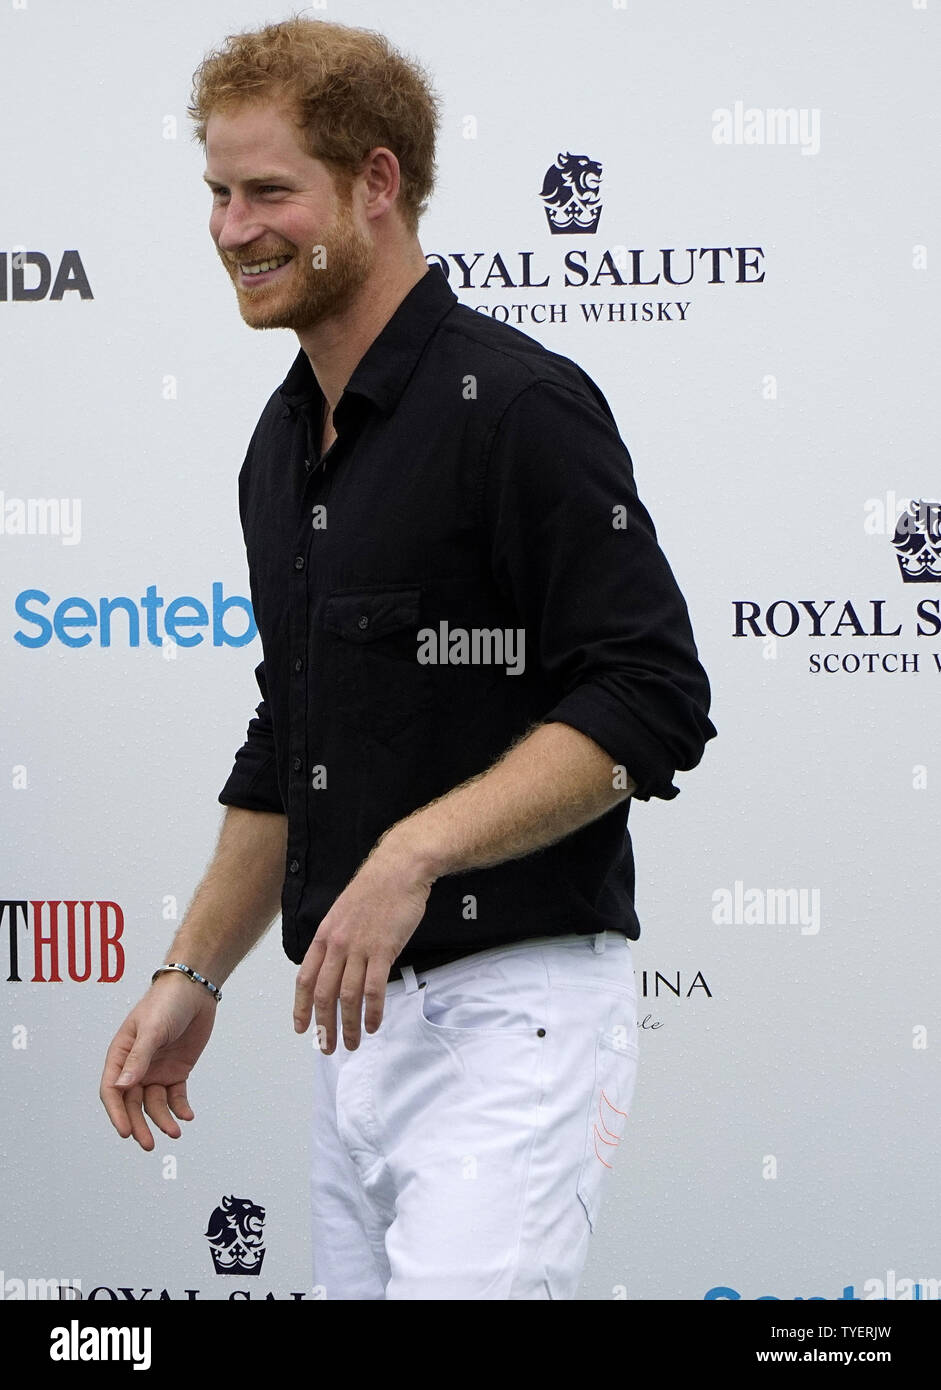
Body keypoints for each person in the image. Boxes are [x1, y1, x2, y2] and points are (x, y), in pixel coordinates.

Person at [99, 16, 716, 1300]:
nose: (231, 229)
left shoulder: (521, 408)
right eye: (217, 192)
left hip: (517, 1019)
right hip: (354, 1036)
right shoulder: (280, 448)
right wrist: (191, 971)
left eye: (270, 190)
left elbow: (651, 695)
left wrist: (412, 852)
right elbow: (294, 735)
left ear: (377, 185)